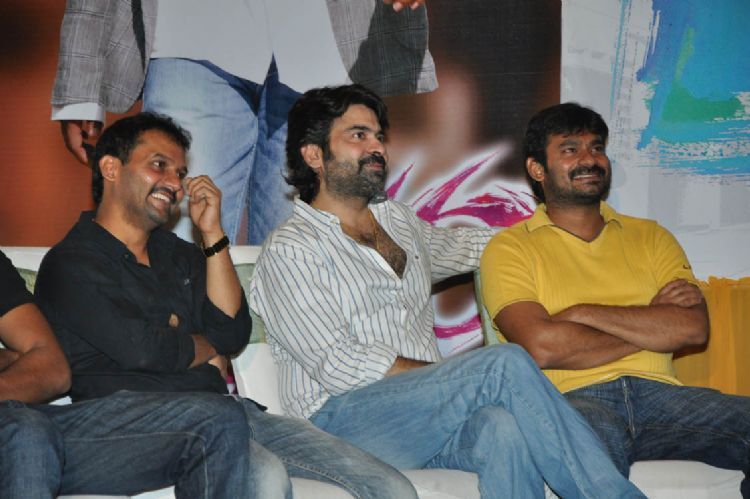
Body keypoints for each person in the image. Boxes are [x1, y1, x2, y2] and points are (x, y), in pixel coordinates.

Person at [249, 84, 645, 498]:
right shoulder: (291, 248)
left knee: (501, 428)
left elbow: (472, 247)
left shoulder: (397, 221)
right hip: (337, 425)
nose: (376, 147)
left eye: (378, 136)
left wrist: (552, 235)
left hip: (419, 419)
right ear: (314, 155)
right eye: (358, 135)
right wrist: (449, 378)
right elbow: (338, 365)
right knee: (500, 364)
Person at [34, 112, 418, 499]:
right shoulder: (71, 263)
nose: (175, 184)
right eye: (159, 165)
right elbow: (146, 350)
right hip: (144, 428)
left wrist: (212, 234)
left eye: (180, 173)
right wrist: (207, 345)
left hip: (230, 412)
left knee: (390, 487)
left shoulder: (179, 255)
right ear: (111, 168)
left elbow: (232, 332)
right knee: (265, 478)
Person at [480, 102, 750, 497]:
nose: (589, 159)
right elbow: (541, 346)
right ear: (537, 169)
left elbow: (692, 328)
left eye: (596, 147)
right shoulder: (509, 247)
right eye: (570, 149)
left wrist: (580, 314)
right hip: (573, 400)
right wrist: (653, 321)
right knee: (589, 447)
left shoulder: (651, 236)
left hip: (663, 396)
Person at [51, 0, 435, 244]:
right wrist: (80, 89)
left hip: (318, 40)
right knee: (180, 240)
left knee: (305, 258)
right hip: (193, 36)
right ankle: (185, 354)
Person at [0, 250, 252, 498]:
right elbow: (141, 351)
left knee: (217, 417)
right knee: (27, 430)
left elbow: (52, 368)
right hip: (23, 429)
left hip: (25, 427)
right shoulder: (74, 260)